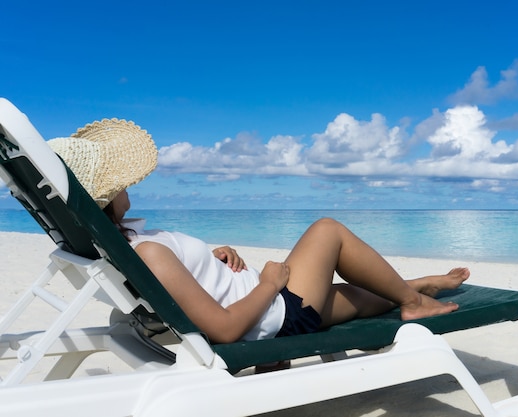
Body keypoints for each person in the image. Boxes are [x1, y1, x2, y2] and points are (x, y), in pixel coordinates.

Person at [48, 119, 470, 344]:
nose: (128, 183)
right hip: (271, 311)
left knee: (358, 300)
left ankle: (413, 286)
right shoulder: (146, 256)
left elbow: (184, 286)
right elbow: (227, 329)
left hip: (266, 300)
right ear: (103, 197)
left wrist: (212, 260)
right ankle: (413, 300)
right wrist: (270, 283)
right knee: (328, 230)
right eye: (119, 181)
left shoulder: (127, 244)